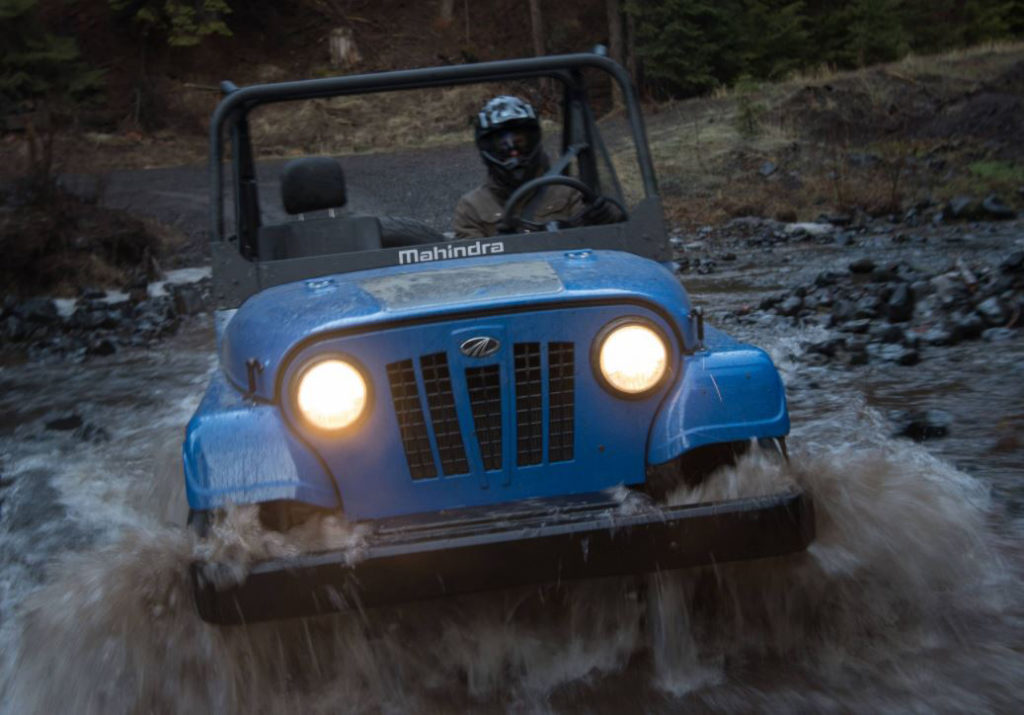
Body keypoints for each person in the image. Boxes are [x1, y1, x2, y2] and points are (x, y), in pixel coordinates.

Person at [452, 95, 621, 239]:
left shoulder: (569, 191)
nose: (513, 152)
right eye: (502, 145)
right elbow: (471, 269)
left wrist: (606, 219)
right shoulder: (471, 207)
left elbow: (603, 248)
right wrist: (501, 246)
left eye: (520, 141)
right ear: (488, 150)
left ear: (534, 141)